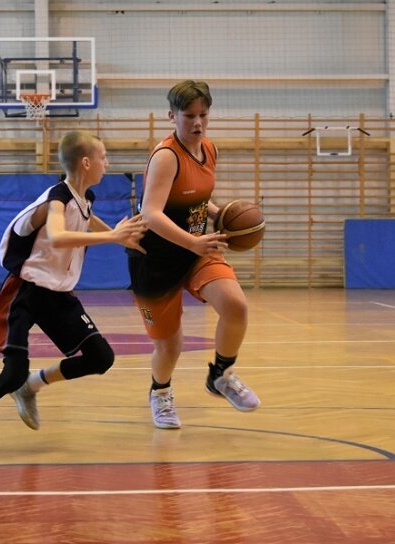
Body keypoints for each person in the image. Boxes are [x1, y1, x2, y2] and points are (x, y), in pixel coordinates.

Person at [0, 130, 147, 454]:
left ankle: (33, 385)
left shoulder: (84, 198)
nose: (106, 162)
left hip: (57, 294)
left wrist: (115, 233)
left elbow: (86, 219)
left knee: (101, 357)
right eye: (103, 157)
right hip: (25, 291)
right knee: (12, 372)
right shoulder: (57, 197)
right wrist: (113, 239)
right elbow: (57, 235)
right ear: (86, 163)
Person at [127, 80, 260, 429]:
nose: (197, 123)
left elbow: (195, 199)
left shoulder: (209, 149)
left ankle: (220, 374)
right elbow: (152, 213)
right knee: (169, 346)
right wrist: (192, 242)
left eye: (203, 115)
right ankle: (160, 393)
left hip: (197, 248)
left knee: (235, 305)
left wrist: (218, 214)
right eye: (189, 116)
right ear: (172, 115)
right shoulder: (166, 156)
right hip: (155, 257)